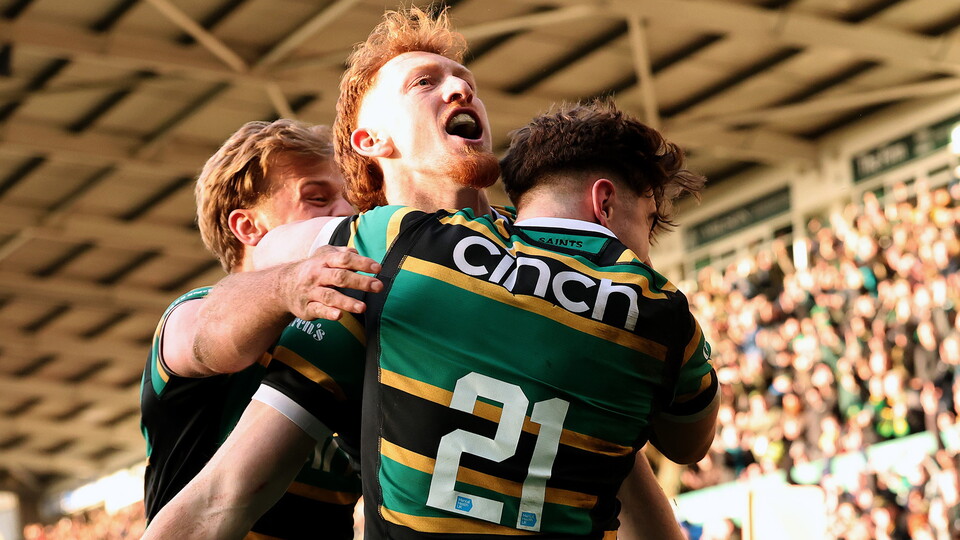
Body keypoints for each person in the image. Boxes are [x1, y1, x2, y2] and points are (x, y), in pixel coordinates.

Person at [144, 8, 705, 539]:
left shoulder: (546, 255)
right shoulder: (360, 275)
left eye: (466, 81)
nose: (462, 90)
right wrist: (288, 283)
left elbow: (618, 449)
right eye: (423, 83)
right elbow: (223, 493)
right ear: (371, 141)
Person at [139, 119, 382, 539]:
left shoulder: (352, 332)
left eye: (349, 200)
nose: (345, 213)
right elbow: (211, 336)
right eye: (317, 198)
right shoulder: (188, 316)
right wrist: (289, 284)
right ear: (248, 227)